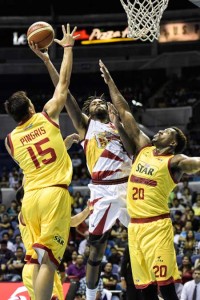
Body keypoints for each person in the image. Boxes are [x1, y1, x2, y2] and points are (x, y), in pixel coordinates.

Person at [29, 44, 132, 300]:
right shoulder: (87, 126)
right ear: (87, 111)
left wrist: (118, 121)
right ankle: (92, 292)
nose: (98, 102)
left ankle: (147, 285)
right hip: (103, 189)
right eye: (94, 101)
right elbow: (65, 94)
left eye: (102, 100)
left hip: (130, 186)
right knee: (96, 246)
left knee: (142, 235)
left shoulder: (118, 127)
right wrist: (47, 61)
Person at [99, 59, 200, 300]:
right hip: (135, 228)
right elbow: (125, 113)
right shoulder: (143, 149)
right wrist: (110, 82)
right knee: (143, 290)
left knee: (165, 288)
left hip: (157, 227)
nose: (160, 132)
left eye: (166, 132)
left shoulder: (175, 162)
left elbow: (196, 163)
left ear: (173, 143)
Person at [4, 24, 78, 300]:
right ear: (32, 107)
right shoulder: (47, 114)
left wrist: (63, 147)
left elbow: (33, 163)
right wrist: (65, 50)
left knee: (37, 259)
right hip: (52, 194)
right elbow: (64, 84)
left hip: (30, 199)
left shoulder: (10, 141)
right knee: (49, 261)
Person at [16, 180, 90, 300]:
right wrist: (30, 175)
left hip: (46, 263)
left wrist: (87, 210)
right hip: (36, 264)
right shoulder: (25, 213)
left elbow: (71, 222)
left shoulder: (44, 214)